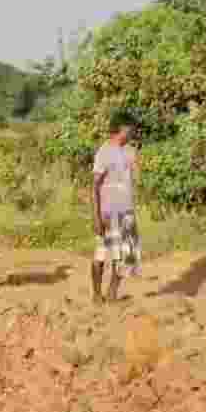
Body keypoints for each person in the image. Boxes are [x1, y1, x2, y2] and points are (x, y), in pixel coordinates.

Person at [91, 114, 142, 302]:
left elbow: (135, 178)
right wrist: (97, 216)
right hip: (107, 212)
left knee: (125, 256)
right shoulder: (104, 152)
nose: (133, 132)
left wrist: (136, 165)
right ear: (122, 128)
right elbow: (95, 186)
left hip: (126, 210)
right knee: (101, 254)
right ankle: (97, 295)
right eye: (131, 129)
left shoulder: (130, 151)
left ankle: (112, 293)